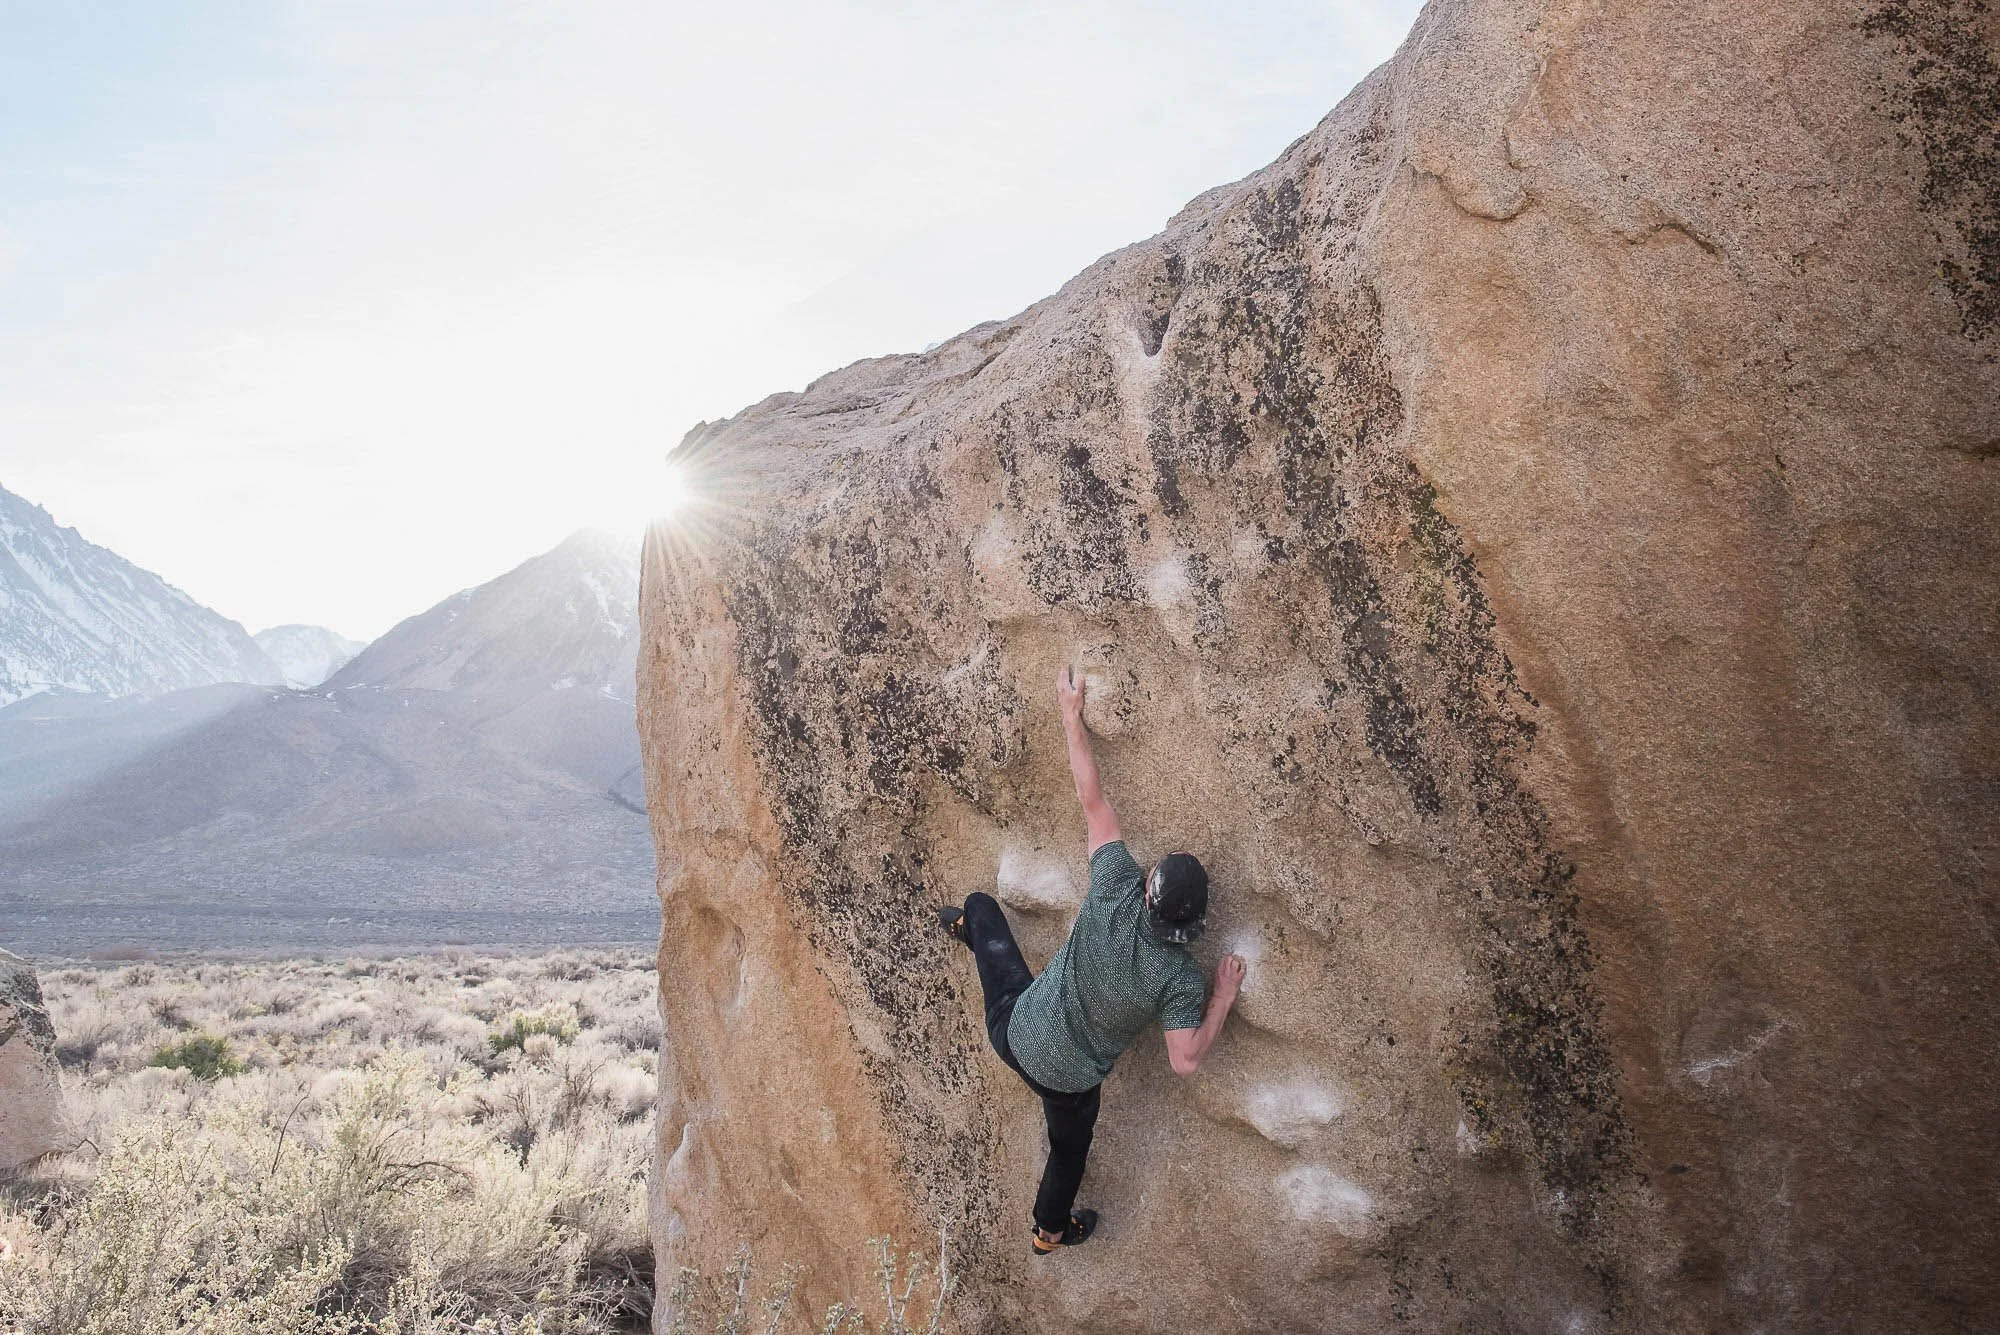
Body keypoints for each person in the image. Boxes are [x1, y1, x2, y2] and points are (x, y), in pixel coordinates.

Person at [938, 664, 1248, 1254]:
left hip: (1017, 1032)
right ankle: (1049, 1233)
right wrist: (1223, 999)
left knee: (983, 909)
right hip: (1070, 1085)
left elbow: (1092, 799)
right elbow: (1185, 1062)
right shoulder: (1182, 980)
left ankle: (964, 927)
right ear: (1191, 923)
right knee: (1067, 1153)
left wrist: (1070, 716)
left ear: (1149, 883)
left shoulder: (1113, 885)